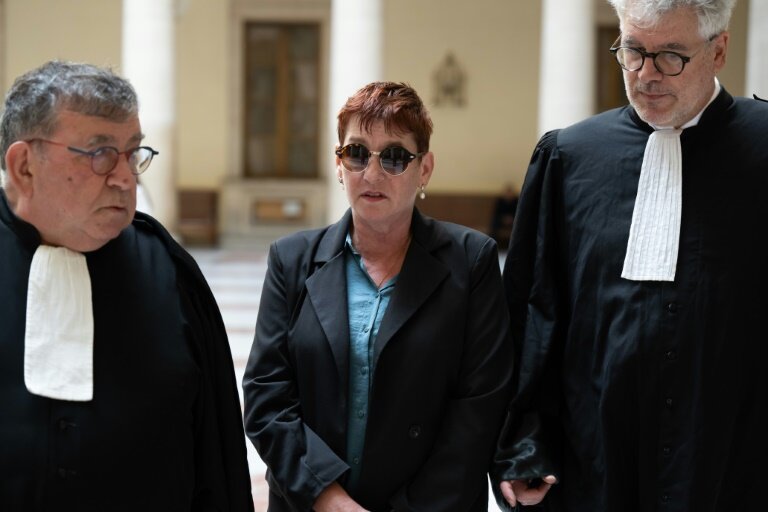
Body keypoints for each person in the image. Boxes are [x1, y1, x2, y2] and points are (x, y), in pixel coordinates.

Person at [492, 0, 768, 510]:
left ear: (720, 50)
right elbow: (533, 315)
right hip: (594, 465)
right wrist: (522, 447)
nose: (646, 75)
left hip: (734, 463)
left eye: (670, 57)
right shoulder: (568, 157)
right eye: (633, 52)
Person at [243, 82, 513, 511]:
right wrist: (329, 499)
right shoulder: (291, 259)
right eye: (356, 153)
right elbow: (267, 395)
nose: (372, 174)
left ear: (424, 169)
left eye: (394, 157)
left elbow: (479, 407)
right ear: (338, 164)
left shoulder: (471, 260)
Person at [0, 61, 253, 511]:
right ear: (24, 167)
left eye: (132, 154)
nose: (124, 178)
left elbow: (219, 465)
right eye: (99, 154)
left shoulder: (173, 275)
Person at [488, 183, 518, 248]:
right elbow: (496, 213)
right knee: (494, 222)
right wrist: (503, 219)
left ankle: (516, 246)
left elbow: (518, 213)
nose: (509, 195)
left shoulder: (517, 200)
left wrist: (511, 218)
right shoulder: (500, 201)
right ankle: (492, 245)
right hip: (501, 220)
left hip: (513, 220)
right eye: (507, 193)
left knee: (519, 223)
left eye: (510, 193)